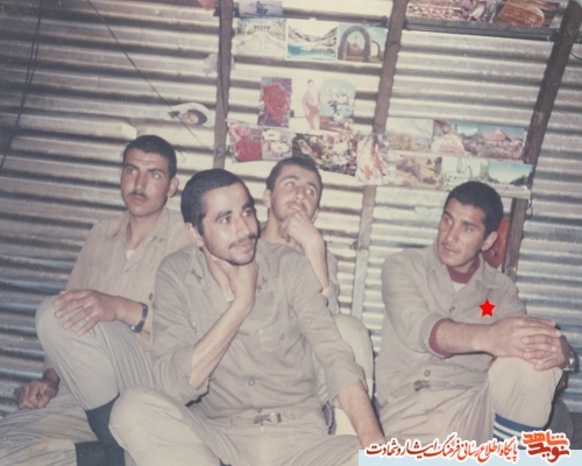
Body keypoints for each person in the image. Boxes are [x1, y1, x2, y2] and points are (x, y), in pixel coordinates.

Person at [109, 168, 385, 466]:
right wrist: (241, 305)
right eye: (225, 219)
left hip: (301, 440)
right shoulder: (175, 274)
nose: (244, 229)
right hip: (221, 442)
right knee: (131, 411)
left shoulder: (287, 264)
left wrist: (376, 448)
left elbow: (335, 357)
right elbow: (173, 383)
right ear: (194, 233)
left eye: (247, 212)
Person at [0, 135, 188, 466]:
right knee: (7, 445)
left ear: (172, 187)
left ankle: (116, 450)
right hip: (90, 394)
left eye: (154, 174)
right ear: (120, 175)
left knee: (52, 313)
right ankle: (104, 452)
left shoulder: (188, 239)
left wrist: (121, 308)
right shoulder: (101, 233)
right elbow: (67, 316)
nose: (139, 183)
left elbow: (194, 334)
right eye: (131, 170)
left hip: (149, 383)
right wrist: (50, 379)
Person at [375, 180, 573, 446]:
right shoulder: (402, 267)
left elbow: (534, 358)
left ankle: (505, 455)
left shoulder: (500, 291)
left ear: (488, 240)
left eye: (467, 227)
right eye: (447, 220)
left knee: (529, 363)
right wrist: (491, 337)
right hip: (408, 410)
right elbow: (422, 329)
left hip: (474, 411)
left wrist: (561, 354)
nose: (450, 236)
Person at [260, 156, 375, 427]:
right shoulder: (242, 248)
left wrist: (313, 247)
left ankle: (350, 438)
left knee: (349, 329)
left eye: (310, 191)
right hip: (251, 371)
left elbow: (328, 326)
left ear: (315, 213)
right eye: (290, 184)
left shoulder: (321, 256)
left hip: (303, 379)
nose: (301, 194)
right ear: (267, 197)